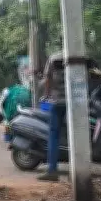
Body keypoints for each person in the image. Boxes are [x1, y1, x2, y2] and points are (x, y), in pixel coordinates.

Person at [38, 53, 67, 182]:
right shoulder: (80, 55)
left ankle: (52, 170)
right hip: (76, 104)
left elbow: (47, 78)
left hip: (57, 102)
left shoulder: (54, 58)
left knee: (54, 135)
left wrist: (46, 95)